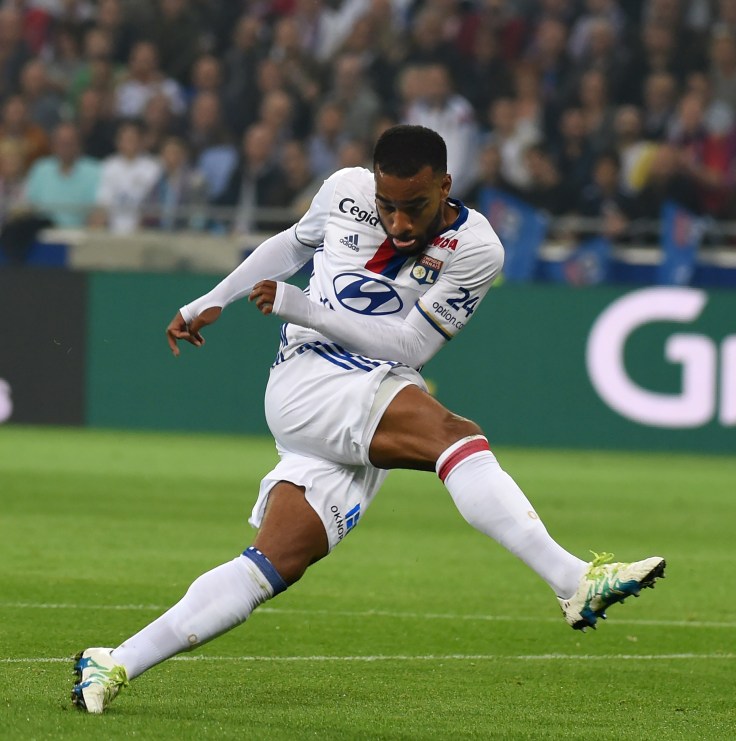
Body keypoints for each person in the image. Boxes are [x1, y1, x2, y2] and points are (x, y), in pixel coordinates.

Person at [72, 124, 666, 714]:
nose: (400, 223)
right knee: (455, 437)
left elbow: (408, 348)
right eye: (387, 207)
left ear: (446, 187)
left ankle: (115, 661)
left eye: (415, 208)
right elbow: (293, 244)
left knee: (272, 563)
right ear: (373, 188)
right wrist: (211, 300)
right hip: (309, 379)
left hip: (378, 379)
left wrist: (306, 306)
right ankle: (573, 580)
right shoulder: (342, 191)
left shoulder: (479, 249)